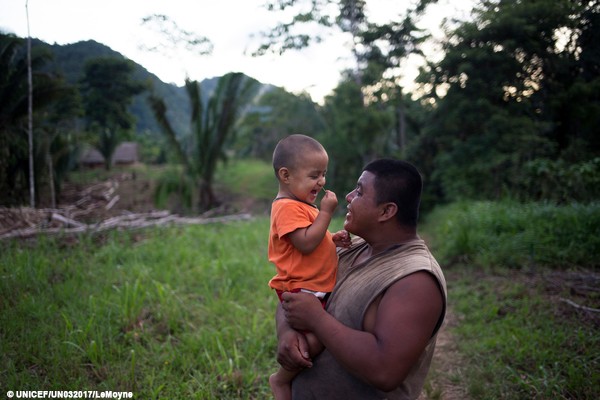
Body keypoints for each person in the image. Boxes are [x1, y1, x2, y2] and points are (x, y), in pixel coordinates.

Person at [276, 158, 447, 399]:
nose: (348, 196)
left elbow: (385, 371)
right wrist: (286, 333)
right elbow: (295, 290)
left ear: (386, 211)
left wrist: (316, 319)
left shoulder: (415, 279)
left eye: (359, 191)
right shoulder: (347, 249)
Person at [267, 134, 351, 400]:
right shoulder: (286, 208)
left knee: (315, 338)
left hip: (313, 287)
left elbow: (312, 239)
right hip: (302, 289)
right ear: (286, 175)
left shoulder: (302, 205)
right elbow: (304, 243)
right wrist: (326, 213)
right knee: (313, 341)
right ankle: (281, 381)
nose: (322, 182)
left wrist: (331, 239)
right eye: (314, 175)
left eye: (324, 174)